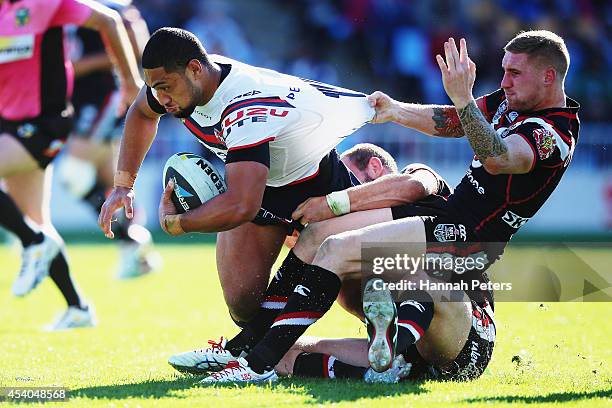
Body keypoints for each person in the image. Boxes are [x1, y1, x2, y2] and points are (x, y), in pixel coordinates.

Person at [194, 30, 579, 383]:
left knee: (341, 251)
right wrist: (395, 110)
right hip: (447, 222)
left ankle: (256, 365)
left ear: (548, 77)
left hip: (471, 238)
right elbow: (452, 122)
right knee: (318, 236)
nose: (505, 81)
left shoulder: (554, 133)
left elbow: (498, 157)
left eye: (515, 73)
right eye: (504, 71)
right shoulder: (510, 103)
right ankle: (250, 348)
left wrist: (462, 97)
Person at [97, 27, 374, 325]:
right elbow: (140, 112)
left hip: (314, 184)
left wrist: (178, 224)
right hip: (261, 184)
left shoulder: (243, 103)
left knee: (361, 295)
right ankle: (276, 356)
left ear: (194, 70)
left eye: (165, 87)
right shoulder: (186, 81)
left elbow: (243, 204)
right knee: (242, 301)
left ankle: (411, 341)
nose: (162, 98)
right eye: (156, 89)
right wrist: (123, 186)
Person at [166, 143, 452, 382]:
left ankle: (251, 354)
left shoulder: (418, 181)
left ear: (375, 169)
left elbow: (416, 184)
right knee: (287, 351)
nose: (331, 195)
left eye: (345, 181)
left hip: (456, 321)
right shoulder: (347, 249)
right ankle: (381, 372)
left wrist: (335, 202)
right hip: (415, 349)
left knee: (416, 280)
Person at [0, 0, 142, 329]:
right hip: (10, 126)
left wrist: (131, 83)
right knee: (37, 222)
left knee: (35, 233)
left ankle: (34, 243)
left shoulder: (47, 3)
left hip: (43, 124)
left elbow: (110, 20)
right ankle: (77, 307)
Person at [58, 0, 159, 279]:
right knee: (109, 182)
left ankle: (132, 239)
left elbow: (139, 44)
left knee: (73, 174)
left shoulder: (107, 3)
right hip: (79, 100)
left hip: (104, 94)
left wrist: (81, 66)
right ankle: (137, 254)